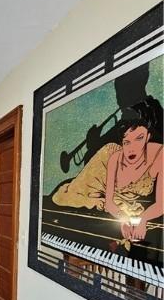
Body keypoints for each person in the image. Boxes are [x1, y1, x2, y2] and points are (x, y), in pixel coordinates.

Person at [52, 99, 163, 240]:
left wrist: (143, 219)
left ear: (148, 137)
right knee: (72, 194)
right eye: (126, 142)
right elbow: (110, 203)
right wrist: (122, 221)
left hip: (122, 195)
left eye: (139, 138)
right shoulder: (114, 157)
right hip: (99, 170)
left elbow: (161, 204)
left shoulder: (160, 156)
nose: (132, 148)